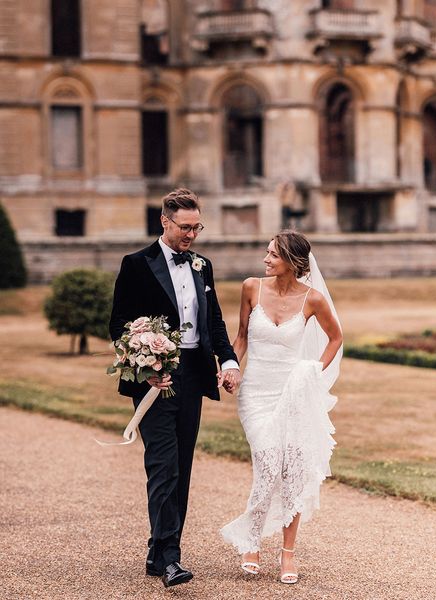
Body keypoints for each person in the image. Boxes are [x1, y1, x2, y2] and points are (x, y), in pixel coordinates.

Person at [109, 188, 240, 588]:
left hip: (193, 378)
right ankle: (170, 558)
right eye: (185, 227)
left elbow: (212, 320)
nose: (192, 235)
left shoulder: (202, 265)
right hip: (154, 381)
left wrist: (229, 360)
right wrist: (144, 368)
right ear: (164, 222)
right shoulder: (136, 265)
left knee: (181, 468)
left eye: (197, 226)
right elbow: (119, 326)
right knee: (163, 466)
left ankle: (157, 550)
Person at [220, 230, 343, 584]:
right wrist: (229, 368)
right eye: (267, 253)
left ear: (291, 261)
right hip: (255, 393)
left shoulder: (314, 299)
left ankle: (287, 554)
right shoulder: (251, 288)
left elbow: (336, 338)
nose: (265, 259)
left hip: (292, 391)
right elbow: (241, 337)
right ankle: (250, 540)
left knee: (292, 470)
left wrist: (313, 371)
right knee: (269, 461)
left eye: (272, 255)